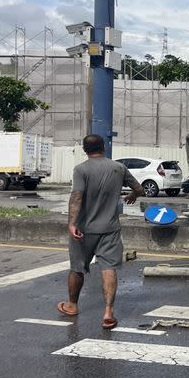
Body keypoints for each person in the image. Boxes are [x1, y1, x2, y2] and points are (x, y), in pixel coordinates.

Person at [57, 134, 144, 328]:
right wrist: (132, 195)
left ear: (85, 150)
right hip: (110, 229)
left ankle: (72, 305)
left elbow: (77, 197)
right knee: (109, 268)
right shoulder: (118, 168)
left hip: (83, 230)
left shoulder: (81, 169)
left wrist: (72, 223)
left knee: (77, 267)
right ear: (103, 147)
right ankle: (108, 313)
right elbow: (139, 189)